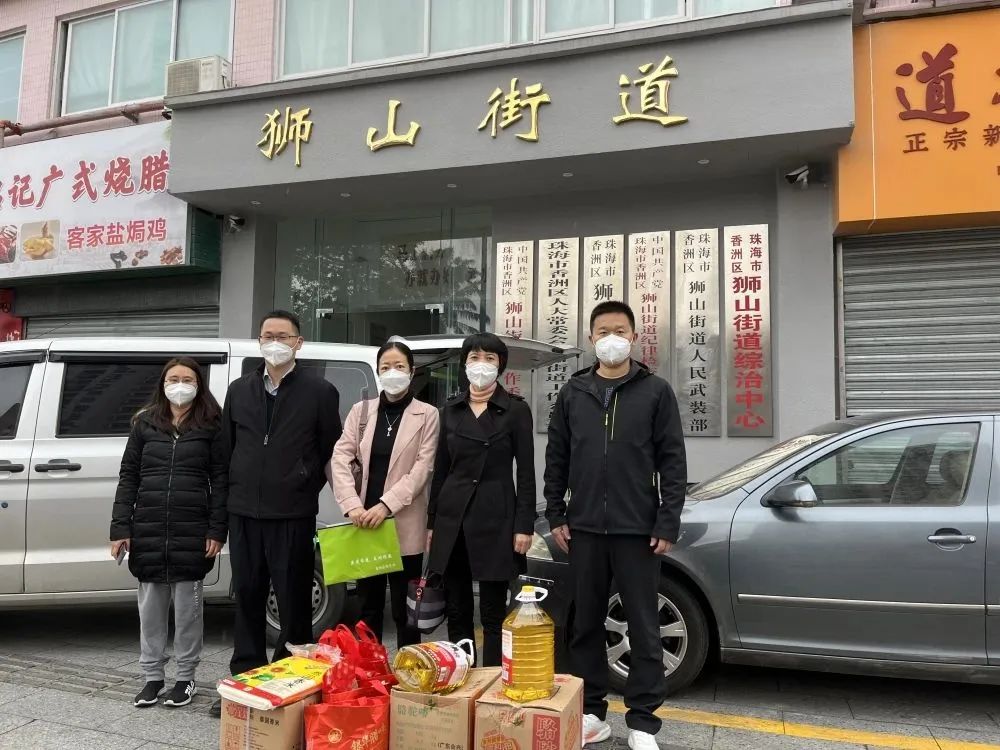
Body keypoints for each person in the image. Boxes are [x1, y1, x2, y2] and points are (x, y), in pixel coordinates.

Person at [544, 301, 686, 750]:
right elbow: (557, 457)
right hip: (584, 528)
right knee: (585, 624)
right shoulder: (574, 392)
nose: (612, 339)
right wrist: (556, 513)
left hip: (637, 529)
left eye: (620, 331)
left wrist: (667, 520)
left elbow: (672, 460)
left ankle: (643, 722)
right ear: (591, 339)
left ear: (634, 337)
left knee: (644, 625)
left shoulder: (655, 391)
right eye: (603, 331)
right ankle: (591, 712)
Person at [222, 310, 342, 677]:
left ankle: (291, 675)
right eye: (268, 336)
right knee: (247, 594)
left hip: (293, 513)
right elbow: (227, 448)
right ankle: (247, 672)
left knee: (293, 599)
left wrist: (302, 482)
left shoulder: (320, 392)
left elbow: (330, 451)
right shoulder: (239, 390)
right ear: (259, 341)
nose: (275, 343)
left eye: (283, 336)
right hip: (244, 512)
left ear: (298, 343)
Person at [110, 357, 227, 709]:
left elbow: (221, 480)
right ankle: (152, 677)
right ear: (162, 383)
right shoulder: (144, 423)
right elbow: (128, 476)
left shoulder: (212, 424)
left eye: (187, 379)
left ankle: (186, 678)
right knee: (150, 611)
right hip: (148, 528)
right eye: (173, 378)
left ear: (199, 385)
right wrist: (120, 527)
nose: (180, 385)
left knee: (189, 612)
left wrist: (217, 529)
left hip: (192, 529)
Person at [427, 332, 536, 667]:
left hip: (495, 516)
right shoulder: (450, 410)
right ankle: (461, 676)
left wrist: (524, 525)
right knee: (457, 608)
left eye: (490, 358)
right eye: (475, 357)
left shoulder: (516, 410)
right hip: (453, 518)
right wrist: (432, 523)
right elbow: (440, 471)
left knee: (492, 610)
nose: (481, 364)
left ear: (500, 366)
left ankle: (492, 678)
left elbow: (526, 472)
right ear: (464, 363)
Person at [330, 341, 440, 648]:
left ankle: (408, 669)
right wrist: (352, 505)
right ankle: (371, 668)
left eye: (400, 366)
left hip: (404, 522)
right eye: (386, 367)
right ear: (378, 372)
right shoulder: (361, 411)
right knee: (368, 607)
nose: (393, 372)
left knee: (406, 611)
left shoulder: (428, 414)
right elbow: (340, 457)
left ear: (412, 371)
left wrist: (385, 505)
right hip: (366, 523)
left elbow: (422, 468)